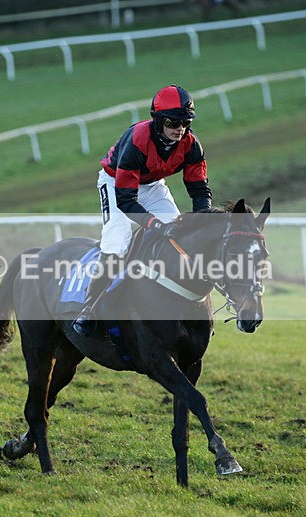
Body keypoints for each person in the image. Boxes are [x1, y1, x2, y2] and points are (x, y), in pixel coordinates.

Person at [73, 84, 212, 337]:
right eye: (172, 122)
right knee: (118, 241)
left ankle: (189, 308)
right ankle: (89, 308)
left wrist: (203, 221)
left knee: (180, 236)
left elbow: (200, 191)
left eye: (185, 123)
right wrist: (155, 225)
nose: (179, 129)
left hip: (153, 185)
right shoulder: (138, 140)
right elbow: (126, 200)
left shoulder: (191, 144)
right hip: (116, 183)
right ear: (158, 121)